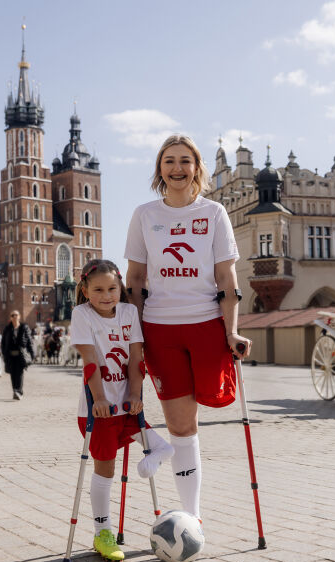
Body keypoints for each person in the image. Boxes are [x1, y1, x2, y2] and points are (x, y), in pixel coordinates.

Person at [124, 134, 250, 523]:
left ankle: (191, 514)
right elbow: (135, 279)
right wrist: (134, 335)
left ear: (197, 168)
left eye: (184, 161)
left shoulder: (213, 213)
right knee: (180, 424)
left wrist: (231, 331)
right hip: (160, 328)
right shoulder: (144, 215)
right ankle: (192, 517)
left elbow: (227, 277)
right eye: (169, 161)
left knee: (198, 417)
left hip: (206, 325)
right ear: (159, 169)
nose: (177, 168)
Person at [71, 259, 174, 562]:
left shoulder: (128, 313)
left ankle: (149, 464)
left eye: (112, 288)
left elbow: (136, 358)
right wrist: (100, 399)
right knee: (106, 469)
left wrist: (134, 393)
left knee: (163, 447)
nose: (106, 295)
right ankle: (102, 533)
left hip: (127, 407)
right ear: (85, 291)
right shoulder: (82, 315)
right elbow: (90, 361)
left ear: (120, 288)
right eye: (98, 290)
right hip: (98, 410)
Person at [1, 310, 34, 399]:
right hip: (10, 355)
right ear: (10, 317)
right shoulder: (7, 328)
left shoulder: (24, 327)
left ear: (19, 316)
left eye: (16, 315)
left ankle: (19, 391)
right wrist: (4, 354)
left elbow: (29, 341)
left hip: (21, 354)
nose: (15, 316)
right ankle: (15, 391)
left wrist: (32, 354)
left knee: (19, 373)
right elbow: (3, 343)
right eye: (13, 315)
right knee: (12, 373)